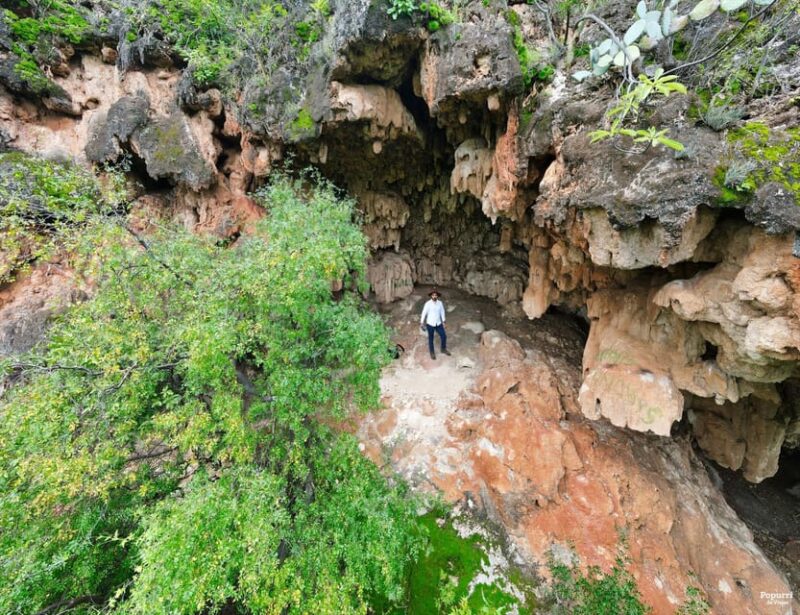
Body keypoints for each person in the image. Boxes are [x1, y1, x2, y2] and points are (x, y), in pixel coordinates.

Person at [419, 289, 451, 360]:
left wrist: (444, 321)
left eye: (436, 295)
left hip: (438, 323)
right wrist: (421, 322)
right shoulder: (428, 304)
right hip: (430, 324)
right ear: (431, 296)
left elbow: (442, 312)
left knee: (444, 336)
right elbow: (424, 313)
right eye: (433, 295)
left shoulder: (440, 303)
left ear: (437, 296)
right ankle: (432, 353)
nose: (434, 296)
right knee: (431, 339)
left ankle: (443, 349)